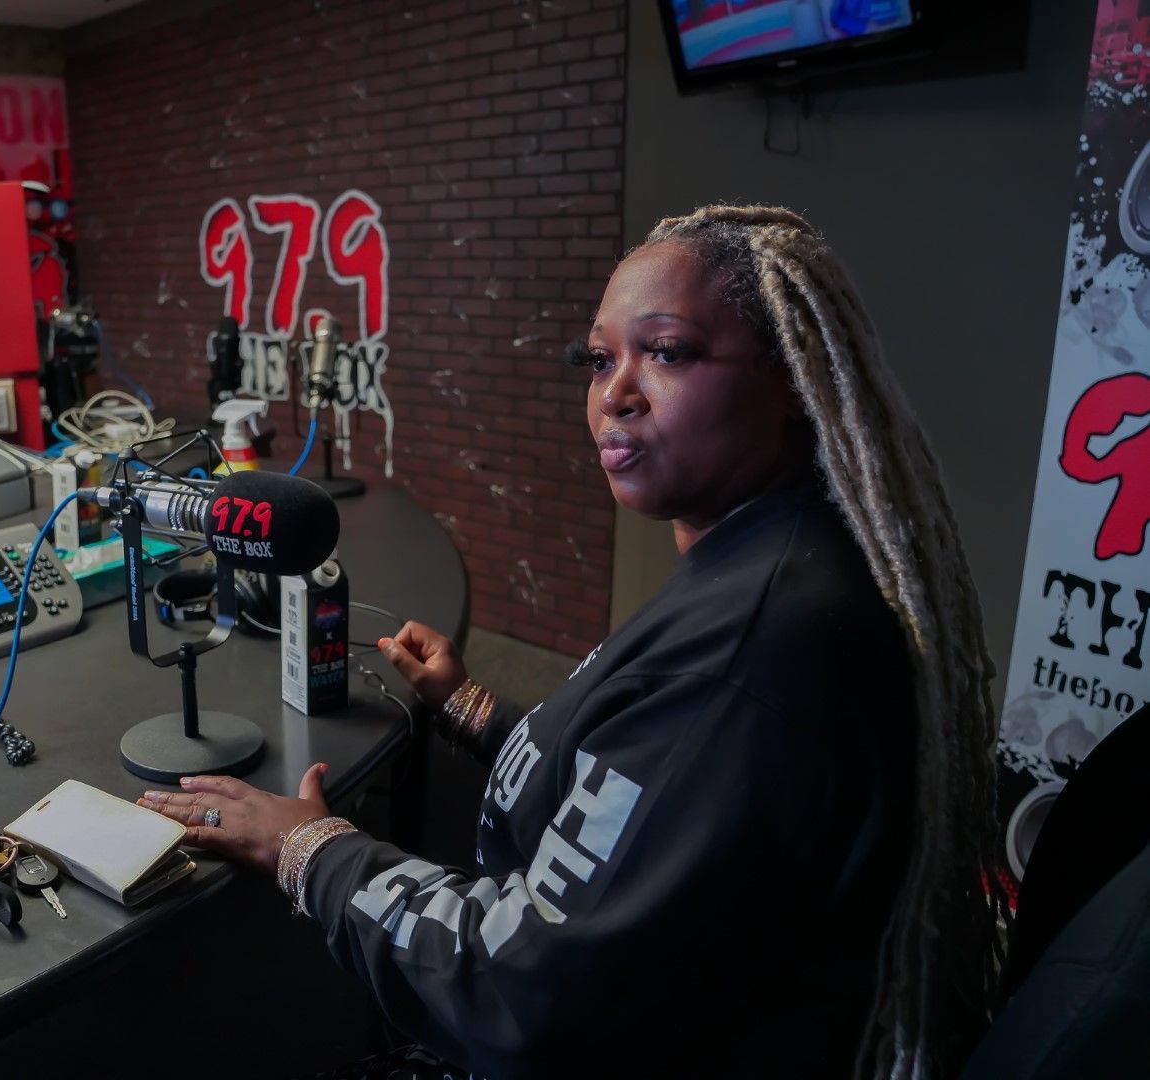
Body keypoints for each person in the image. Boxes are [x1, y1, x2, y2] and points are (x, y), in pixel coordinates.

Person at [138, 205, 1006, 1079]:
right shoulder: (768, 555)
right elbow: (645, 788)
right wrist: (474, 710)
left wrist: (307, 850)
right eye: (599, 360)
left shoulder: (745, 652)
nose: (613, 394)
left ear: (793, 376)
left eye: (665, 352)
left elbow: (517, 993)